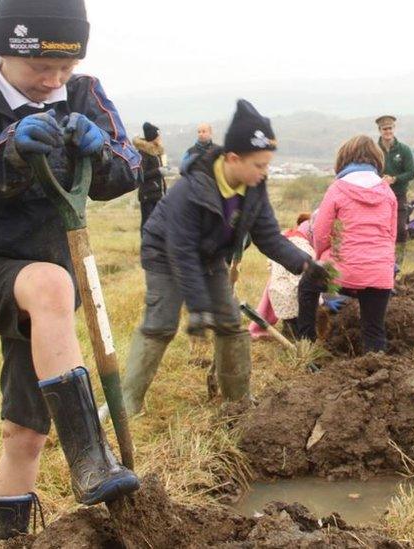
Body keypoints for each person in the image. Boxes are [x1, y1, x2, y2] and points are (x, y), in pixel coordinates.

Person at [0, 0, 141, 544]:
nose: (53, 80)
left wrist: (103, 155)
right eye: (40, 67)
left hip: (48, 289)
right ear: (3, 49)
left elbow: (128, 167)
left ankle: (3, 539)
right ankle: (92, 456)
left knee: (25, 432)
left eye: (65, 67)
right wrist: (11, 155)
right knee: (49, 282)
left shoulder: (84, 93)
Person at [102, 99, 330, 418]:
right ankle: (128, 402)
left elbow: (268, 236)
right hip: (166, 254)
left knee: (230, 324)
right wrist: (198, 307)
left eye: (267, 165)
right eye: (259, 165)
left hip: (210, 257)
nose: (264, 172)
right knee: (161, 324)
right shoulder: (191, 190)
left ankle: (238, 401)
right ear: (233, 158)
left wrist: (306, 265)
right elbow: (182, 253)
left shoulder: (254, 188)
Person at [297, 135, 398, 353]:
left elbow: (321, 234)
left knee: (307, 284)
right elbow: (391, 237)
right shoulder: (388, 193)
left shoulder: (337, 188)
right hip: (379, 275)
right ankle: (377, 365)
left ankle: (306, 344)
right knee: (374, 330)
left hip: (342, 273)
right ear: (377, 160)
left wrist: (321, 257)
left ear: (344, 159)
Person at [248, 213, 316, 339]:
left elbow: (270, 266)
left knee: (290, 313)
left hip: (278, 298)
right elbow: (305, 284)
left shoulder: (284, 243)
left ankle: (288, 328)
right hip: (299, 302)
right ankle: (299, 335)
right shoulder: (307, 251)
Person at [376, 115, 414, 272]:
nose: (388, 131)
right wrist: (380, 179)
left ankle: (398, 264)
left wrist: (394, 179)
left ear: (394, 129)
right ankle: (381, 262)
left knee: (400, 229)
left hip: (399, 195)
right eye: (384, 129)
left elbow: (411, 173)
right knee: (380, 229)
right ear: (379, 130)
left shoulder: (404, 150)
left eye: (390, 128)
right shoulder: (374, 150)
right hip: (379, 196)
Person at [134, 121, 166, 229]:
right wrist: (158, 171)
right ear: (153, 137)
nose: (159, 137)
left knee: (158, 224)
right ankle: (146, 240)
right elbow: (141, 174)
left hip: (158, 193)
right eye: (158, 135)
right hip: (148, 195)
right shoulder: (144, 153)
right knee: (147, 223)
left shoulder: (156, 152)